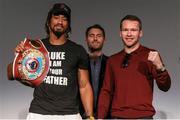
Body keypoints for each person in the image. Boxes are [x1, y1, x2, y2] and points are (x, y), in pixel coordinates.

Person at [14, 3, 94, 120]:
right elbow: (15, 75)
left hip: (69, 114)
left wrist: (89, 116)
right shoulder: (36, 47)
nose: (60, 22)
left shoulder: (78, 50)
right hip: (39, 113)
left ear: (68, 24)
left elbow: (84, 86)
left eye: (64, 19)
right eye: (56, 17)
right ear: (48, 21)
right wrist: (18, 58)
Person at [97, 15, 171, 119]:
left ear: (140, 33)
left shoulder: (150, 55)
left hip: (143, 117)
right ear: (120, 33)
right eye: (125, 30)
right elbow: (106, 91)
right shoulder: (112, 60)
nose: (129, 34)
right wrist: (100, 117)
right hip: (118, 117)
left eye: (133, 30)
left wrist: (160, 66)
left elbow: (165, 87)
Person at [79, 24, 109, 119]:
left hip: (107, 115)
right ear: (86, 39)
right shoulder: (78, 64)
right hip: (82, 115)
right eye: (91, 35)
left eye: (99, 36)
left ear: (104, 39)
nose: (95, 38)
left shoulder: (111, 63)